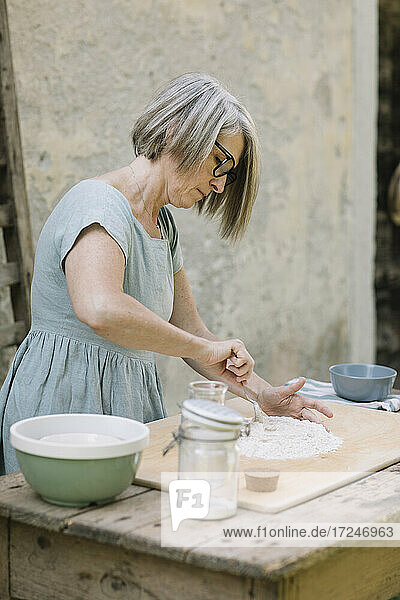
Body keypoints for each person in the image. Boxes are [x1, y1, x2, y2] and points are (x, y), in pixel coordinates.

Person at [0, 73, 332, 475]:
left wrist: (261, 394)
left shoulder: (163, 226)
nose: (221, 184)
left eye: (229, 173)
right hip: (65, 411)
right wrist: (199, 347)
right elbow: (100, 308)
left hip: (127, 410)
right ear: (178, 132)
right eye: (220, 162)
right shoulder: (98, 204)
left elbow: (193, 331)